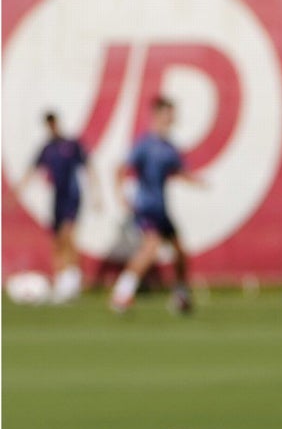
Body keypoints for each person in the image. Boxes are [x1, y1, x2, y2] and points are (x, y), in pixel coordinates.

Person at [109, 96, 202, 314]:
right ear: (157, 115)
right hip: (147, 206)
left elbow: (177, 171)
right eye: (168, 113)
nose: (172, 118)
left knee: (180, 251)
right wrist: (122, 197)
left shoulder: (169, 147)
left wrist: (195, 180)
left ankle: (180, 295)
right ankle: (121, 294)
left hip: (162, 208)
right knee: (150, 249)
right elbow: (120, 169)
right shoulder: (144, 144)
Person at [15, 111, 96, 303]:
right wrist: (18, 191)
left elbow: (88, 166)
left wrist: (96, 193)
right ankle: (62, 279)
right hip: (57, 199)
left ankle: (73, 280)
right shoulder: (47, 148)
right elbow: (33, 169)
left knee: (69, 235)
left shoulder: (71, 145)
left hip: (72, 196)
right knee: (58, 239)